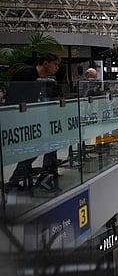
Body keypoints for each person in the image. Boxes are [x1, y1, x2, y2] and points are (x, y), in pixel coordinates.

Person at [6, 53, 62, 189]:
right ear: (46, 63)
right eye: (55, 64)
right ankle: (18, 178)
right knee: (35, 148)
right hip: (19, 120)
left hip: (30, 120)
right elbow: (17, 99)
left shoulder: (38, 79)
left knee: (48, 144)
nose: (57, 68)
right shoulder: (26, 75)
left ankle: (46, 174)